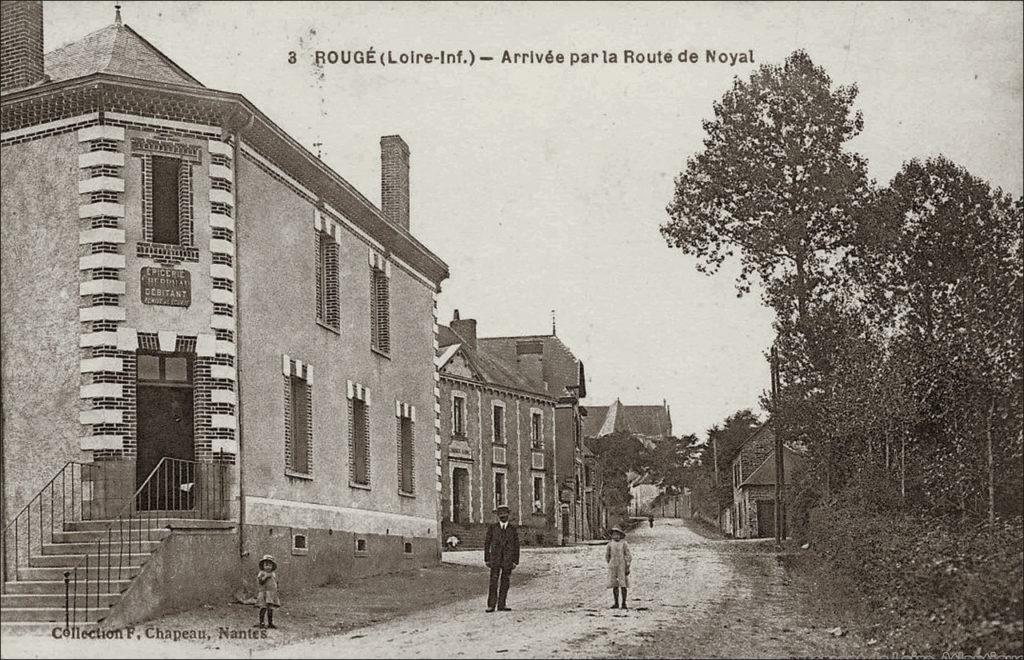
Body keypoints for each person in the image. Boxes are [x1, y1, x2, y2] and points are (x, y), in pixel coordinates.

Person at [484, 503, 520, 612]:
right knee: (493, 581)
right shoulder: (493, 528)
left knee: (505, 582)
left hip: (508, 560)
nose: (503, 516)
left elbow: (516, 546)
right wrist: (487, 559)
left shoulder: (512, 529)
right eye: (500, 514)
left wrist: (515, 561)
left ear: (508, 514)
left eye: (505, 513)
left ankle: (502, 604)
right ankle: (491, 605)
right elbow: (487, 544)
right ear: (498, 515)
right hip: (495, 559)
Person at [606, 526, 632, 609]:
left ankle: (624, 603)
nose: (616, 536)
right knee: (615, 585)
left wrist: (627, 565)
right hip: (613, 566)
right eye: (614, 534)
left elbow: (628, 555)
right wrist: (610, 563)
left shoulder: (624, 544)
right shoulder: (610, 544)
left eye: (617, 534)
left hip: (622, 566)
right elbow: (607, 555)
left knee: (623, 584)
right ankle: (616, 603)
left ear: (621, 535)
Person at [255, 554, 281, 629]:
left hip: (271, 593)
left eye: (270, 565)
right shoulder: (262, 573)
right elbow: (261, 582)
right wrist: (265, 577)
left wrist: (276, 588)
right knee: (263, 608)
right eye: (266, 565)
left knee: (270, 609)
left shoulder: (273, 574)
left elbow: (275, 582)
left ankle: (270, 623)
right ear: (263, 566)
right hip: (264, 593)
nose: (268, 567)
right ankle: (262, 622)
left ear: (272, 566)